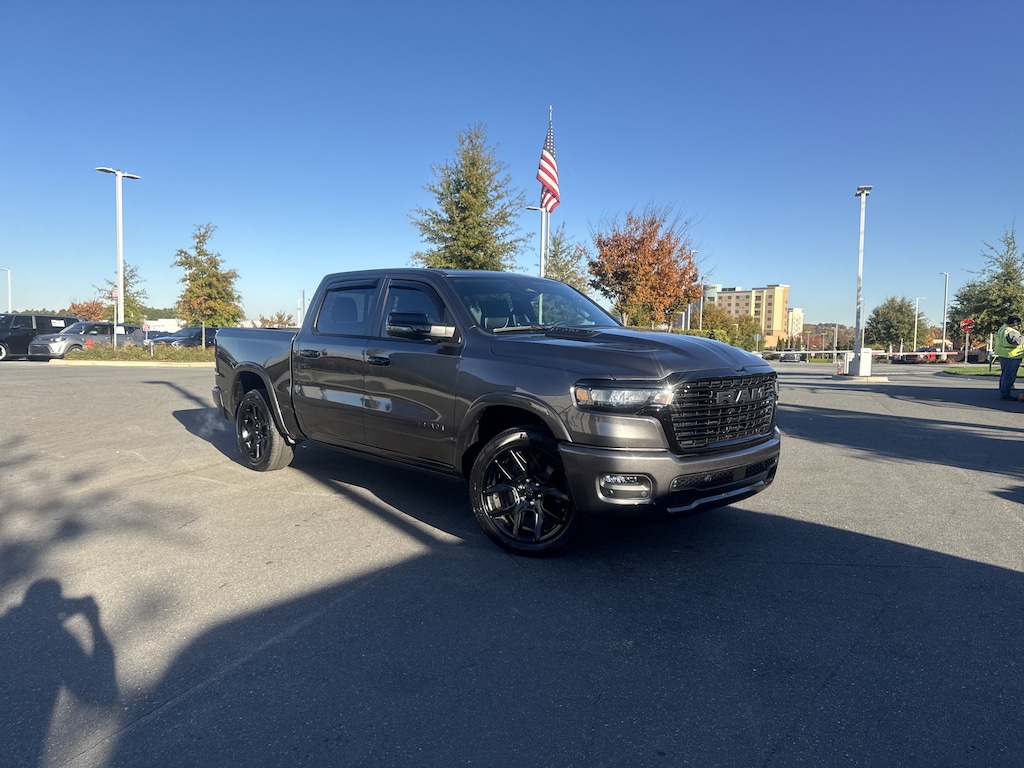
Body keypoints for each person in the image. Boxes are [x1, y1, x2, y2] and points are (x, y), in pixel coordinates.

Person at [993, 314, 1024, 400]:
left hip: (1005, 355)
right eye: (1018, 324)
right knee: (1009, 376)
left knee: (1005, 375)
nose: (1018, 326)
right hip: (1012, 356)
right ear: (1014, 324)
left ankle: (1004, 391)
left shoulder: (1003, 328)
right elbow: (1018, 341)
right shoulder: (1011, 332)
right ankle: (1005, 394)